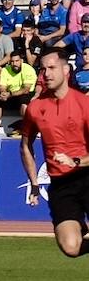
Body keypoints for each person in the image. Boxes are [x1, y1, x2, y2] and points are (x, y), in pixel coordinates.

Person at [21, 48, 89, 258]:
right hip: (61, 184)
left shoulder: (84, 104)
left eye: (52, 68)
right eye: (43, 69)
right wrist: (34, 182)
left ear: (66, 70)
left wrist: (75, 161)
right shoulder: (35, 108)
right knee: (71, 247)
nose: (46, 74)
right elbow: (25, 145)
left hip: (87, 176)